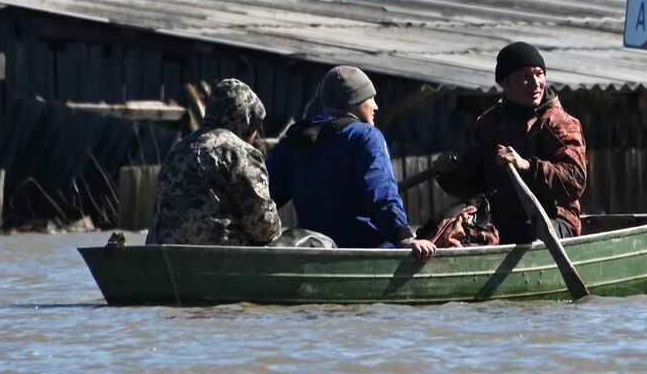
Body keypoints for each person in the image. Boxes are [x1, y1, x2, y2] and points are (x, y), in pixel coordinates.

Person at [268, 66, 437, 259]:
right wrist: (404, 237)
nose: (376, 106)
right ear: (355, 101)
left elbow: (265, 193)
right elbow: (382, 193)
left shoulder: (294, 140)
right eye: (370, 98)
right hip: (366, 251)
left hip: (313, 252)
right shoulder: (366, 136)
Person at [433, 41, 587, 242]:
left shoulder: (558, 122)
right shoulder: (489, 123)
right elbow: (473, 183)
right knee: (440, 228)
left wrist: (528, 166)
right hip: (498, 221)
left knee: (524, 233)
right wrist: (451, 172)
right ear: (504, 83)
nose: (535, 83)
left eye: (539, 74)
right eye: (524, 77)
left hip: (554, 220)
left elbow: (574, 181)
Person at [149, 78, 282, 247]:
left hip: (164, 257)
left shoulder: (178, 149)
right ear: (247, 121)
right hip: (216, 261)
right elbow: (263, 228)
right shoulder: (240, 153)